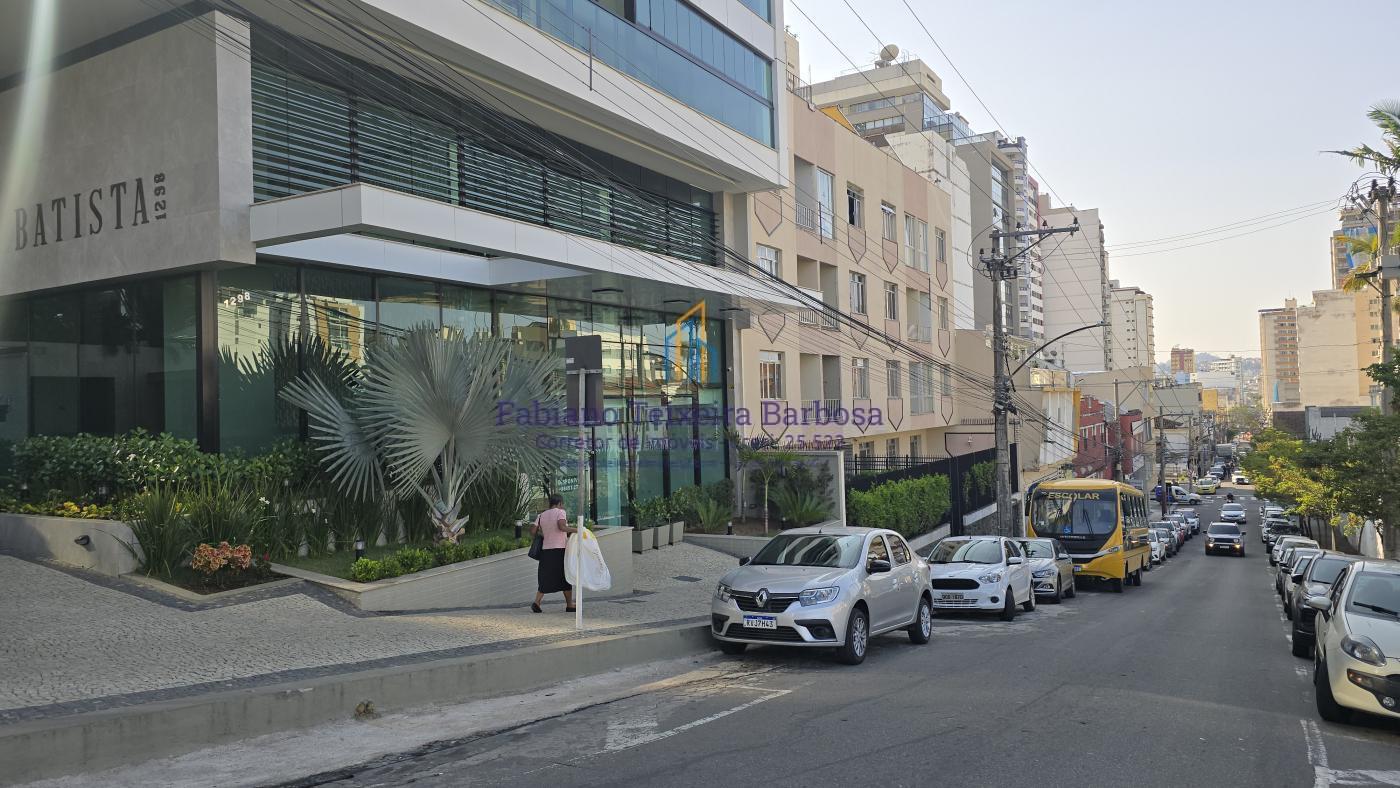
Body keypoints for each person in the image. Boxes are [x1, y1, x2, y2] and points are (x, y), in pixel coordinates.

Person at [531, 494, 577, 613]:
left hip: (546, 551)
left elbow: (533, 531)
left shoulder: (541, 515)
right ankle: (569, 605)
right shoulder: (560, 512)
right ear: (559, 503)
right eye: (562, 504)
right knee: (565, 577)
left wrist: (545, 534)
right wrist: (577, 530)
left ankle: (537, 602)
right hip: (559, 550)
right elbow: (562, 527)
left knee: (545, 576)